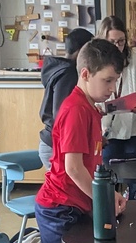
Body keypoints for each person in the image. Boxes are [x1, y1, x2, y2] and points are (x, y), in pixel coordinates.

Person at [34, 39, 127, 243]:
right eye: (107, 81)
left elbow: (90, 165)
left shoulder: (90, 108)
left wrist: (109, 193)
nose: (112, 90)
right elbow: (73, 168)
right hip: (59, 210)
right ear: (85, 74)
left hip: (74, 206)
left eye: (115, 82)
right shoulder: (75, 109)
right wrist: (105, 199)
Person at [97, 16, 136, 198]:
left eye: (121, 42)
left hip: (134, 130)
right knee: (107, 180)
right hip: (109, 131)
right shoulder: (97, 62)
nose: (117, 47)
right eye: (112, 42)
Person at [38, 28, 94, 170]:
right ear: (82, 50)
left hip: (52, 142)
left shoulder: (61, 68)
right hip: (54, 145)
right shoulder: (69, 73)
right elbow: (62, 114)